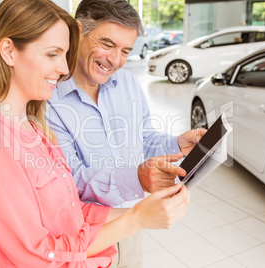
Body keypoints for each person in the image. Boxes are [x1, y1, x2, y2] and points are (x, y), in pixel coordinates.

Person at [0, 0, 190, 267]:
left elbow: (69, 209)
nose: (65, 69)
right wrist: (135, 219)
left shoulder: (32, 125)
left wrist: (138, 213)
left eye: (64, 55)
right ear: (8, 51)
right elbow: (36, 254)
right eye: (52, 54)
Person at [46, 0, 206, 267]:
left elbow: (143, 139)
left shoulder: (128, 84)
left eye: (125, 51)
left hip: (131, 217)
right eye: (107, 44)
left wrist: (177, 142)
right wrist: (137, 178)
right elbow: (69, 180)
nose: (115, 60)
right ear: (77, 32)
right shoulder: (49, 99)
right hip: (83, 230)